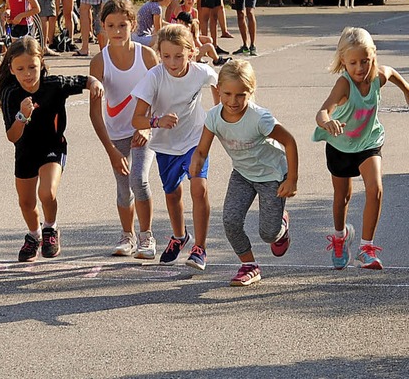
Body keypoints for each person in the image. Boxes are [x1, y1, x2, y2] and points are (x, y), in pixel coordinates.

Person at [0, 37, 104, 262]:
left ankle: (50, 228)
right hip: (25, 151)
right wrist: (22, 116)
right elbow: (12, 136)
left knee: (47, 192)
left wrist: (95, 83)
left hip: (53, 146)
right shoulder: (10, 94)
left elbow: (84, 80)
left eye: (32, 67)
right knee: (26, 202)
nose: (28, 74)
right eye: (21, 69)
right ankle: (34, 235)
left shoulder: (54, 85)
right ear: (11, 69)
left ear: (41, 62)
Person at [190, 60, 298, 286]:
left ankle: (281, 225)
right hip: (242, 174)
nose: (232, 101)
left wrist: (292, 179)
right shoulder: (214, 117)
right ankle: (249, 265)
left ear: (251, 92)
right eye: (227, 93)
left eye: (240, 95)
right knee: (230, 220)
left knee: (268, 234)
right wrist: (196, 164)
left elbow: (289, 142)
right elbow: (201, 150)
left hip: (272, 176)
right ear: (218, 90)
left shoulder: (260, 118)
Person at [313, 27, 409, 271]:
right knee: (342, 197)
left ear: (373, 56)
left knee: (375, 189)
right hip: (340, 144)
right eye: (353, 62)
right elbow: (322, 112)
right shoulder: (343, 85)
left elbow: (395, 74)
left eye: (365, 61)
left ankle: (366, 248)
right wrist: (328, 122)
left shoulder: (378, 76)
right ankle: (340, 236)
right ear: (343, 60)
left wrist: (407, 91)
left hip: (369, 142)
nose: (359, 68)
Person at [131, 24, 218, 269]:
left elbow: (218, 83)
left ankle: (200, 248)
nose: (172, 62)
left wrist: (218, 116)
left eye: (179, 56)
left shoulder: (201, 71)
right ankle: (180, 237)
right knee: (172, 193)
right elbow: (136, 119)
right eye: (166, 56)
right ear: (159, 54)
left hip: (195, 139)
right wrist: (157, 121)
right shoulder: (154, 77)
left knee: (198, 188)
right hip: (166, 144)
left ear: (191, 52)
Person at [88, 0, 158, 258]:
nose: (117, 31)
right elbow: (95, 113)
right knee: (123, 187)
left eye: (122, 25)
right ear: (103, 28)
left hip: (143, 130)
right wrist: (111, 151)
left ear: (133, 24)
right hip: (115, 133)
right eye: (111, 25)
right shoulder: (99, 62)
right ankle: (127, 236)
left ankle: (146, 236)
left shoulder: (147, 56)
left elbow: (160, 95)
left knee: (138, 180)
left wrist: (147, 127)